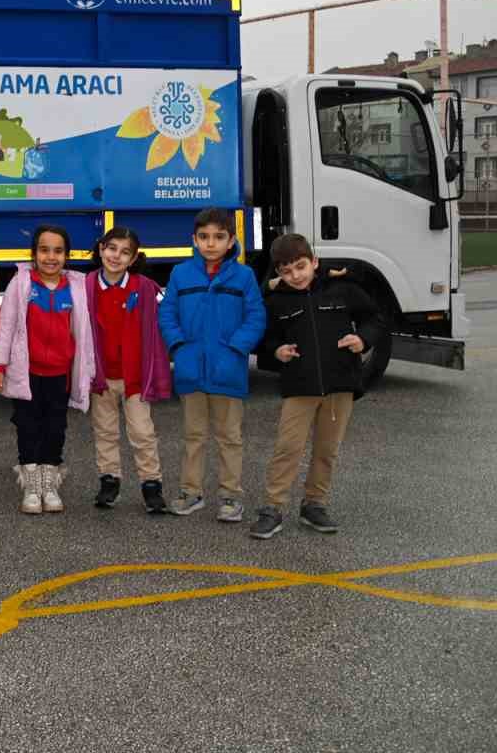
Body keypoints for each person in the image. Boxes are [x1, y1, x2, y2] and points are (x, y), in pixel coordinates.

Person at [250, 234, 385, 539]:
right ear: (278, 273)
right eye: (286, 271)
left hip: (340, 385)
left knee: (327, 450)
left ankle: (314, 505)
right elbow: (265, 338)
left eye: (301, 266)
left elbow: (375, 319)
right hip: (300, 386)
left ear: (314, 262)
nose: (295, 276)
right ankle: (273, 508)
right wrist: (276, 351)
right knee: (288, 449)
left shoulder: (344, 289)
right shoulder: (275, 302)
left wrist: (362, 340)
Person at [159, 207, 267, 523]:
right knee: (193, 436)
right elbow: (167, 314)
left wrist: (236, 348)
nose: (211, 243)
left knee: (229, 437)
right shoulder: (181, 274)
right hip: (191, 370)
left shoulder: (243, 276)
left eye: (219, 237)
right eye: (204, 237)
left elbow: (256, 316)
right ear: (194, 239)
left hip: (228, 371)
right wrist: (179, 346)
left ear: (231, 239)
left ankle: (231, 497)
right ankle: (191, 492)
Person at [0, 225, 95, 515]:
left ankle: (50, 484)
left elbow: (84, 333)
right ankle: (32, 486)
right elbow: (7, 325)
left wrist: (87, 370)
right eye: (44, 250)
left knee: (55, 428)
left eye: (58, 251)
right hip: (27, 372)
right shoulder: (21, 283)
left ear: (67, 255)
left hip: (60, 374)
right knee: (27, 427)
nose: (51, 257)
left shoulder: (76, 287)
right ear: (34, 254)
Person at [83, 226, 171, 514]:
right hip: (101, 376)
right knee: (105, 431)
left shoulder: (145, 287)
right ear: (100, 249)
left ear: (133, 259)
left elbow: (166, 319)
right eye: (111, 248)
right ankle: (109, 481)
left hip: (134, 376)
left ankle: (151, 485)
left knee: (143, 433)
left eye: (125, 252)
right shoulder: (86, 285)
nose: (116, 256)